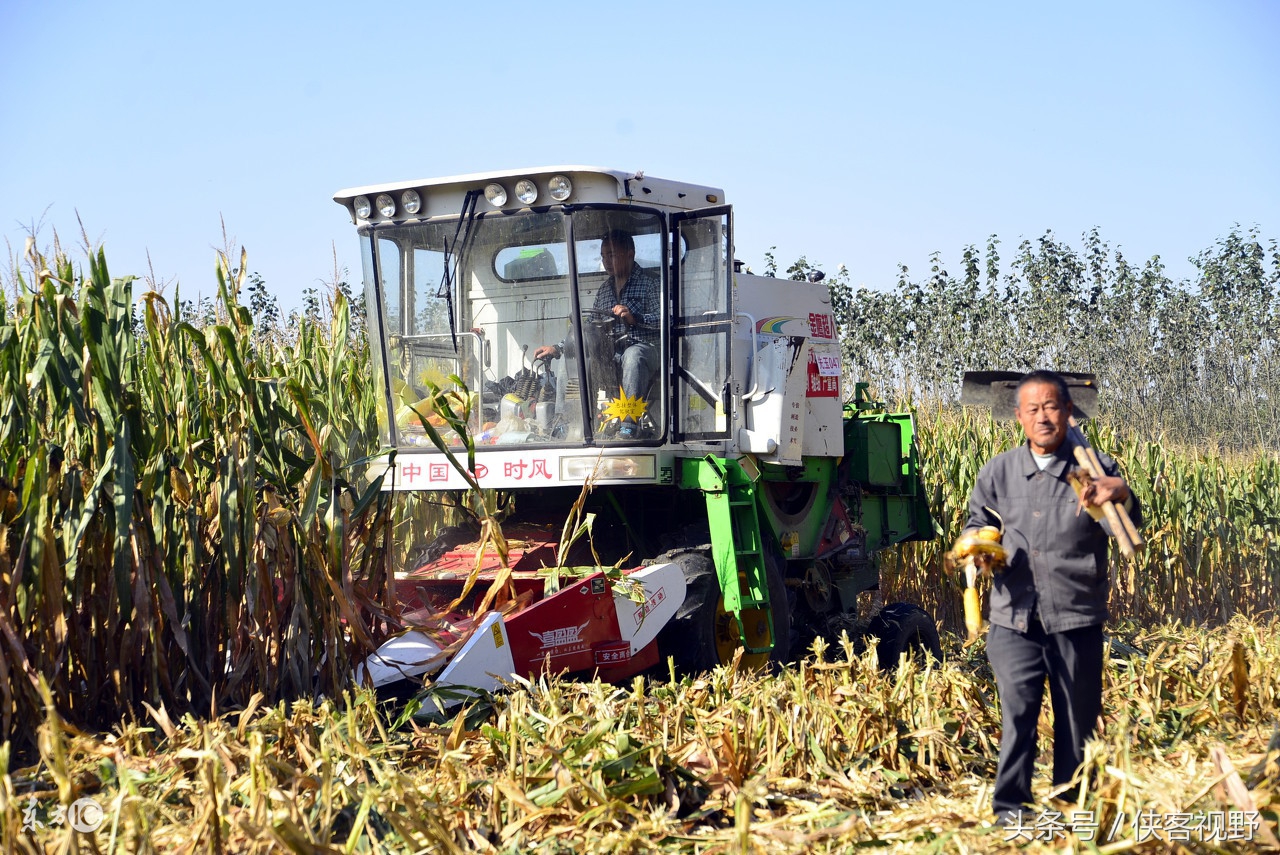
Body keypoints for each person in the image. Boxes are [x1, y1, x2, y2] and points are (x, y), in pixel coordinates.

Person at [964, 370, 1141, 825]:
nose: (1043, 417)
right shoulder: (998, 472)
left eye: (1052, 407)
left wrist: (1120, 492)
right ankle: (1012, 812)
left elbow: (1126, 519)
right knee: (1018, 715)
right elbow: (975, 523)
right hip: (1013, 617)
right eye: (1033, 408)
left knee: (1077, 720)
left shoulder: (1093, 468)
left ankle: (1072, 809)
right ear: (1019, 416)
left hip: (1075, 614)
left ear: (1068, 412)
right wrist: (978, 550)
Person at [534, 230, 659, 440]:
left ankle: (629, 423)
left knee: (632, 355)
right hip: (612, 354)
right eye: (603, 256)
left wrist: (634, 317)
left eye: (611, 255)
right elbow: (589, 330)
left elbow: (666, 320)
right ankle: (569, 420)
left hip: (647, 351)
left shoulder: (651, 282)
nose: (606, 261)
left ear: (630, 254)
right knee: (574, 357)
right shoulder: (604, 290)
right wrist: (558, 348)